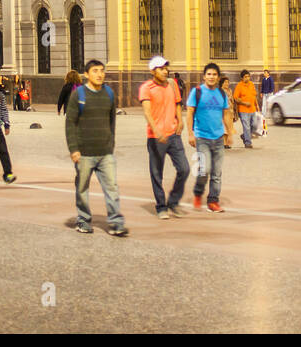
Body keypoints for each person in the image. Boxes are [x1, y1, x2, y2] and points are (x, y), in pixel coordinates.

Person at [66, 59, 127, 236]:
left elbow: (111, 121)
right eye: (95, 71)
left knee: (112, 188)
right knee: (82, 188)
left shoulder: (108, 93)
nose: (100, 74)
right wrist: (73, 149)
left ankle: (116, 223)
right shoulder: (79, 95)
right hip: (84, 153)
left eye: (102, 70)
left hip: (105, 152)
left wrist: (111, 143)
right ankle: (83, 220)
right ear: (86, 74)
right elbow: (70, 122)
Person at [139, 56, 190, 219]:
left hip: (173, 134)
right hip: (156, 137)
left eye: (166, 68)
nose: (165, 71)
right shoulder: (146, 87)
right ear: (152, 71)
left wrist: (180, 120)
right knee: (156, 173)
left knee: (184, 169)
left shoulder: (172, 84)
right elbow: (146, 111)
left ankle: (173, 202)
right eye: (161, 68)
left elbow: (177, 103)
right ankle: (161, 206)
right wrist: (156, 130)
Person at [186, 62, 229, 213]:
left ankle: (213, 201)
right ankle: (198, 192)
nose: (211, 77)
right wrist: (190, 134)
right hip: (202, 138)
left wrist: (228, 133)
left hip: (218, 138)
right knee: (205, 169)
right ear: (204, 76)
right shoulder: (197, 92)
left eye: (214, 74)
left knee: (217, 173)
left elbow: (226, 114)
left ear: (218, 77)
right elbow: (190, 112)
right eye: (209, 74)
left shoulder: (222, 94)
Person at [233, 69, 260, 148]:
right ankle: (248, 142)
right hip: (243, 110)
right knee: (247, 126)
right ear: (242, 78)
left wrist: (257, 105)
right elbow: (236, 98)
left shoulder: (251, 84)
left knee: (254, 125)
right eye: (245, 77)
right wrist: (244, 103)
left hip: (252, 109)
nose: (247, 78)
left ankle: (245, 136)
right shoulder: (239, 86)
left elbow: (254, 95)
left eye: (248, 76)